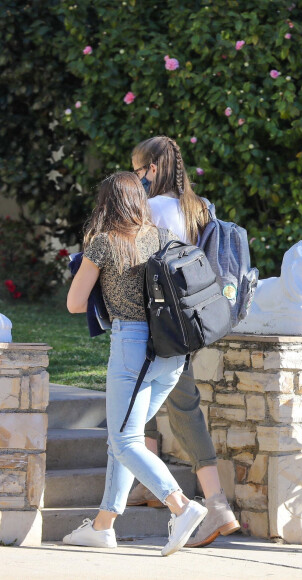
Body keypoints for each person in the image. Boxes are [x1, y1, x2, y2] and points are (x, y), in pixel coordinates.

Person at [64, 172, 207, 556]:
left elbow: (75, 303)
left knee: (125, 440)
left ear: (106, 203)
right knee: (122, 439)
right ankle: (103, 525)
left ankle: (181, 506)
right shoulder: (162, 238)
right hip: (173, 353)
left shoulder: (104, 244)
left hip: (132, 348)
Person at [129, 135, 240, 547]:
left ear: (152, 170)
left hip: (162, 323)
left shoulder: (153, 208)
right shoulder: (200, 206)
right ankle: (147, 485)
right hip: (193, 318)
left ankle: (216, 504)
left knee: (182, 405)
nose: (136, 179)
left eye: (138, 171)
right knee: (155, 396)